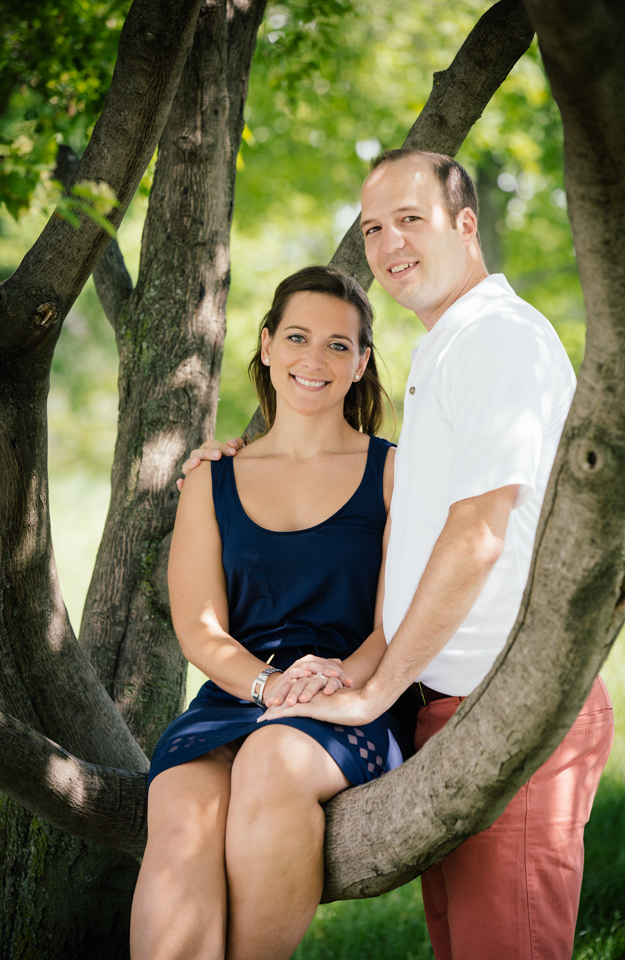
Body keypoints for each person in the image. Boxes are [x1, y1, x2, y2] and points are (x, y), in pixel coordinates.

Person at [190, 150, 614, 960]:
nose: (389, 245)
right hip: (451, 712)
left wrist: (369, 692)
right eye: (374, 226)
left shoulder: (499, 340)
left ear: (465, 224)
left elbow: (478, 534)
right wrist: (357, 672)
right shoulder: (448, 348)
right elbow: (414, 540)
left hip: (512, 707)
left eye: (410, 220)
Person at [130, 265, 415, 960]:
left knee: (270, 759)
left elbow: (395, 623)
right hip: (236, 695)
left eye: (338, 346)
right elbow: (198, 626)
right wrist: (266, 684)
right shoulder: (213, 477)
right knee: (178, 810)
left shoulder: (395, 472)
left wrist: (330, 684)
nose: (313, 360)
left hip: (352, 701)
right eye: (296, 337)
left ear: (362, 363)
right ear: (265, 346)